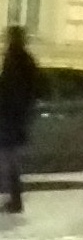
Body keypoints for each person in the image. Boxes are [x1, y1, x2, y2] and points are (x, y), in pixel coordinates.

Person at [0, 25, 40, 212]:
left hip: (10, 118)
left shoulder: (15, 59)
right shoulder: (25, 60)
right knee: (9, 159)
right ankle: (15, 198)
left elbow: (9, 90)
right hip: (16, 117)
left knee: (9, 159)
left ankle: (15, 200)